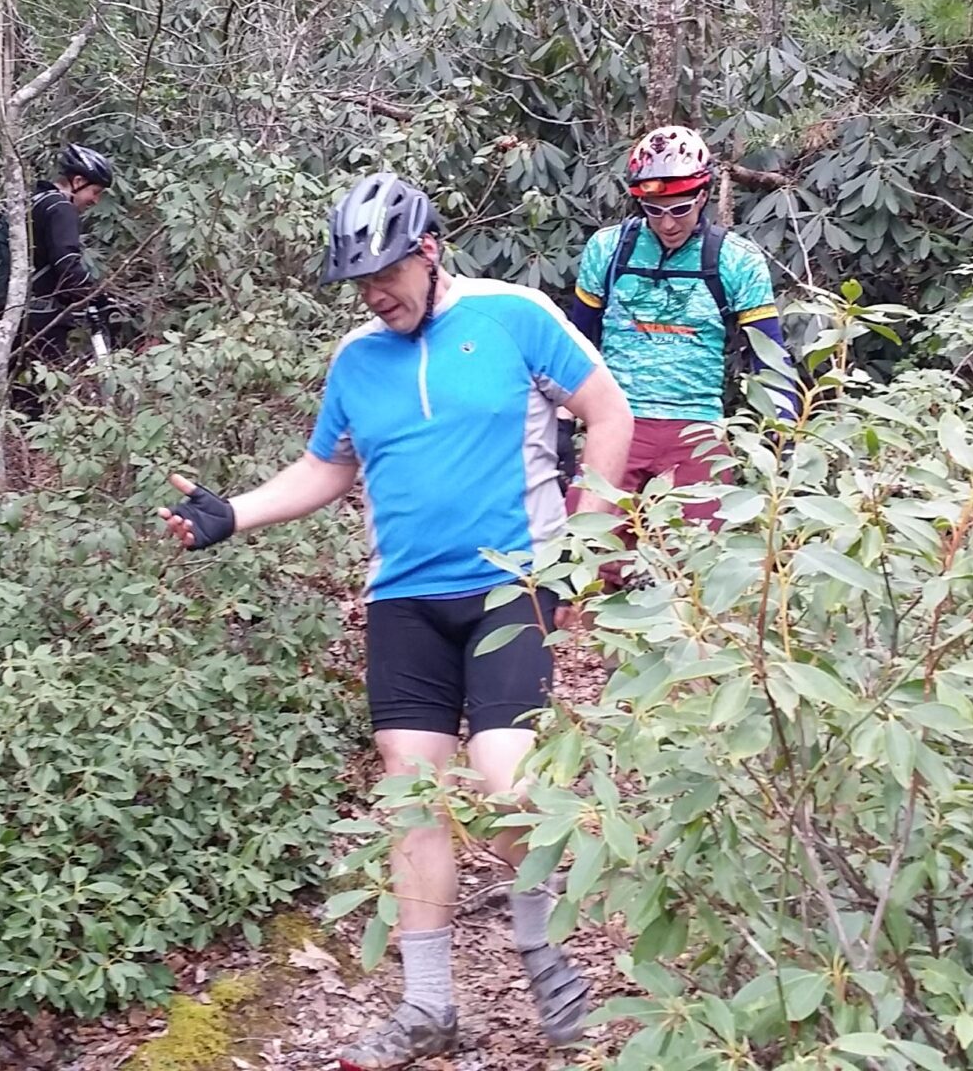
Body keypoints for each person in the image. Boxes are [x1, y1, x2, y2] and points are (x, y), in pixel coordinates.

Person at [153, 172, 633, 1067]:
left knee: (510, 785)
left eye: (386, 274)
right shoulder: (355, 360)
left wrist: (588, 538)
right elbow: (327, 469)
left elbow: (607, 410)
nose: (375, 295)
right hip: (402, 599)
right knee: (411, 799)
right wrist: (235, 513)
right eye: (358, 281)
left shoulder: (512, 314)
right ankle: (429, 1005)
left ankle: (541, 952)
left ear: (430, 250)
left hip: (509, 585)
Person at [568, 125, 795, 520]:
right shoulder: (607, 249)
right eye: (653, 211)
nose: (667, 224)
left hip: (697, 427)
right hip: (616, 420)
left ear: (703, 196)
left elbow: (769, 357)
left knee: (697, 564)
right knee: (590, 552)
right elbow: (575, 344)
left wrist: (785, 435)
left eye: (680, 209)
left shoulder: (737, 259)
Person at [0, 143, 114, 369]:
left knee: (21, 389)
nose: (95, 200)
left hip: (13, 313)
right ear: (79, 182)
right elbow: (66, 263)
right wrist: (97, 296)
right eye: (95, 192)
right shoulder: (60, 207)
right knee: (37, 393)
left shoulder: (36, 200)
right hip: (39, 317)